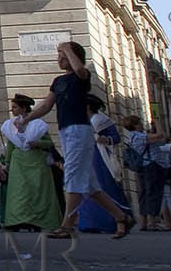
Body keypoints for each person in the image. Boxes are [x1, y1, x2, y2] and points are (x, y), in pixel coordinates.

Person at [16, 41, 132, 238]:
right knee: (89, 185)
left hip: (80, 130)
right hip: (66, 130)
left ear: (73, 55)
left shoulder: (82, 77)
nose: (59, 58)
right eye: (58, 55)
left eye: (63, 54)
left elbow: (79, 69)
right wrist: (25, 120)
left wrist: (67, 47)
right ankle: (121, 217)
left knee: (71, 175)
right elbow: (45, 106)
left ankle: (67, 225)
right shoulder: (58, 81)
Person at [0, 94, 62, 232]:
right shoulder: (10, 125)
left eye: (15, 107)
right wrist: (7, 163)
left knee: (37, 191)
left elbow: (49, 143)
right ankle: (17, 220)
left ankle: (37, 221)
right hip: (18, 163)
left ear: (23, 108)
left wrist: (37, 143)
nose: (12, 110)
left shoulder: (37, 124)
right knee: (18, 192)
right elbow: (11, 145)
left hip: (36, 161)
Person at [77, 95, 131, 234]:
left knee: (103, 186)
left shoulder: (102, 120)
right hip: (86, 155)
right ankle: (89, 222)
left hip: (99, 157)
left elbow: (116, 137)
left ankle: (112, 221)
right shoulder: (82, 121)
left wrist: (105, 139)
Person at [120, 115, 165, 230]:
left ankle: (144, 222)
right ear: (135, 125)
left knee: (144, 193)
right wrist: (158, 123)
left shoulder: (131, 136)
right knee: (152, 192)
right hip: (150, 165)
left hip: (142, 167)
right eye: (139, 123)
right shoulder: (138, 136)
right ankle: (152, 222)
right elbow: (161, 136)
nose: (142, 125)